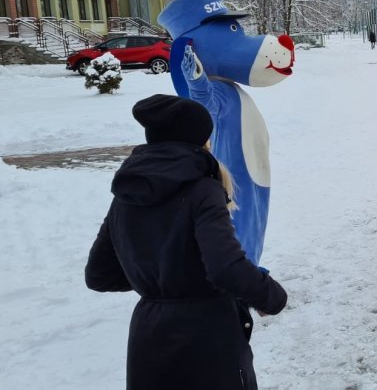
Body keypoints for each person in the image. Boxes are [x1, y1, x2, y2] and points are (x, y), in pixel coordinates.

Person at [84, 94, 287, 389]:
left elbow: (100, 275)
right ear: (201, 140)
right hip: (207, 337)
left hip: (149, 338)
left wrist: (162, 279)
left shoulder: (128, 191)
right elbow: (225, 267)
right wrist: (273, 297)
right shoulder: (203, 189)